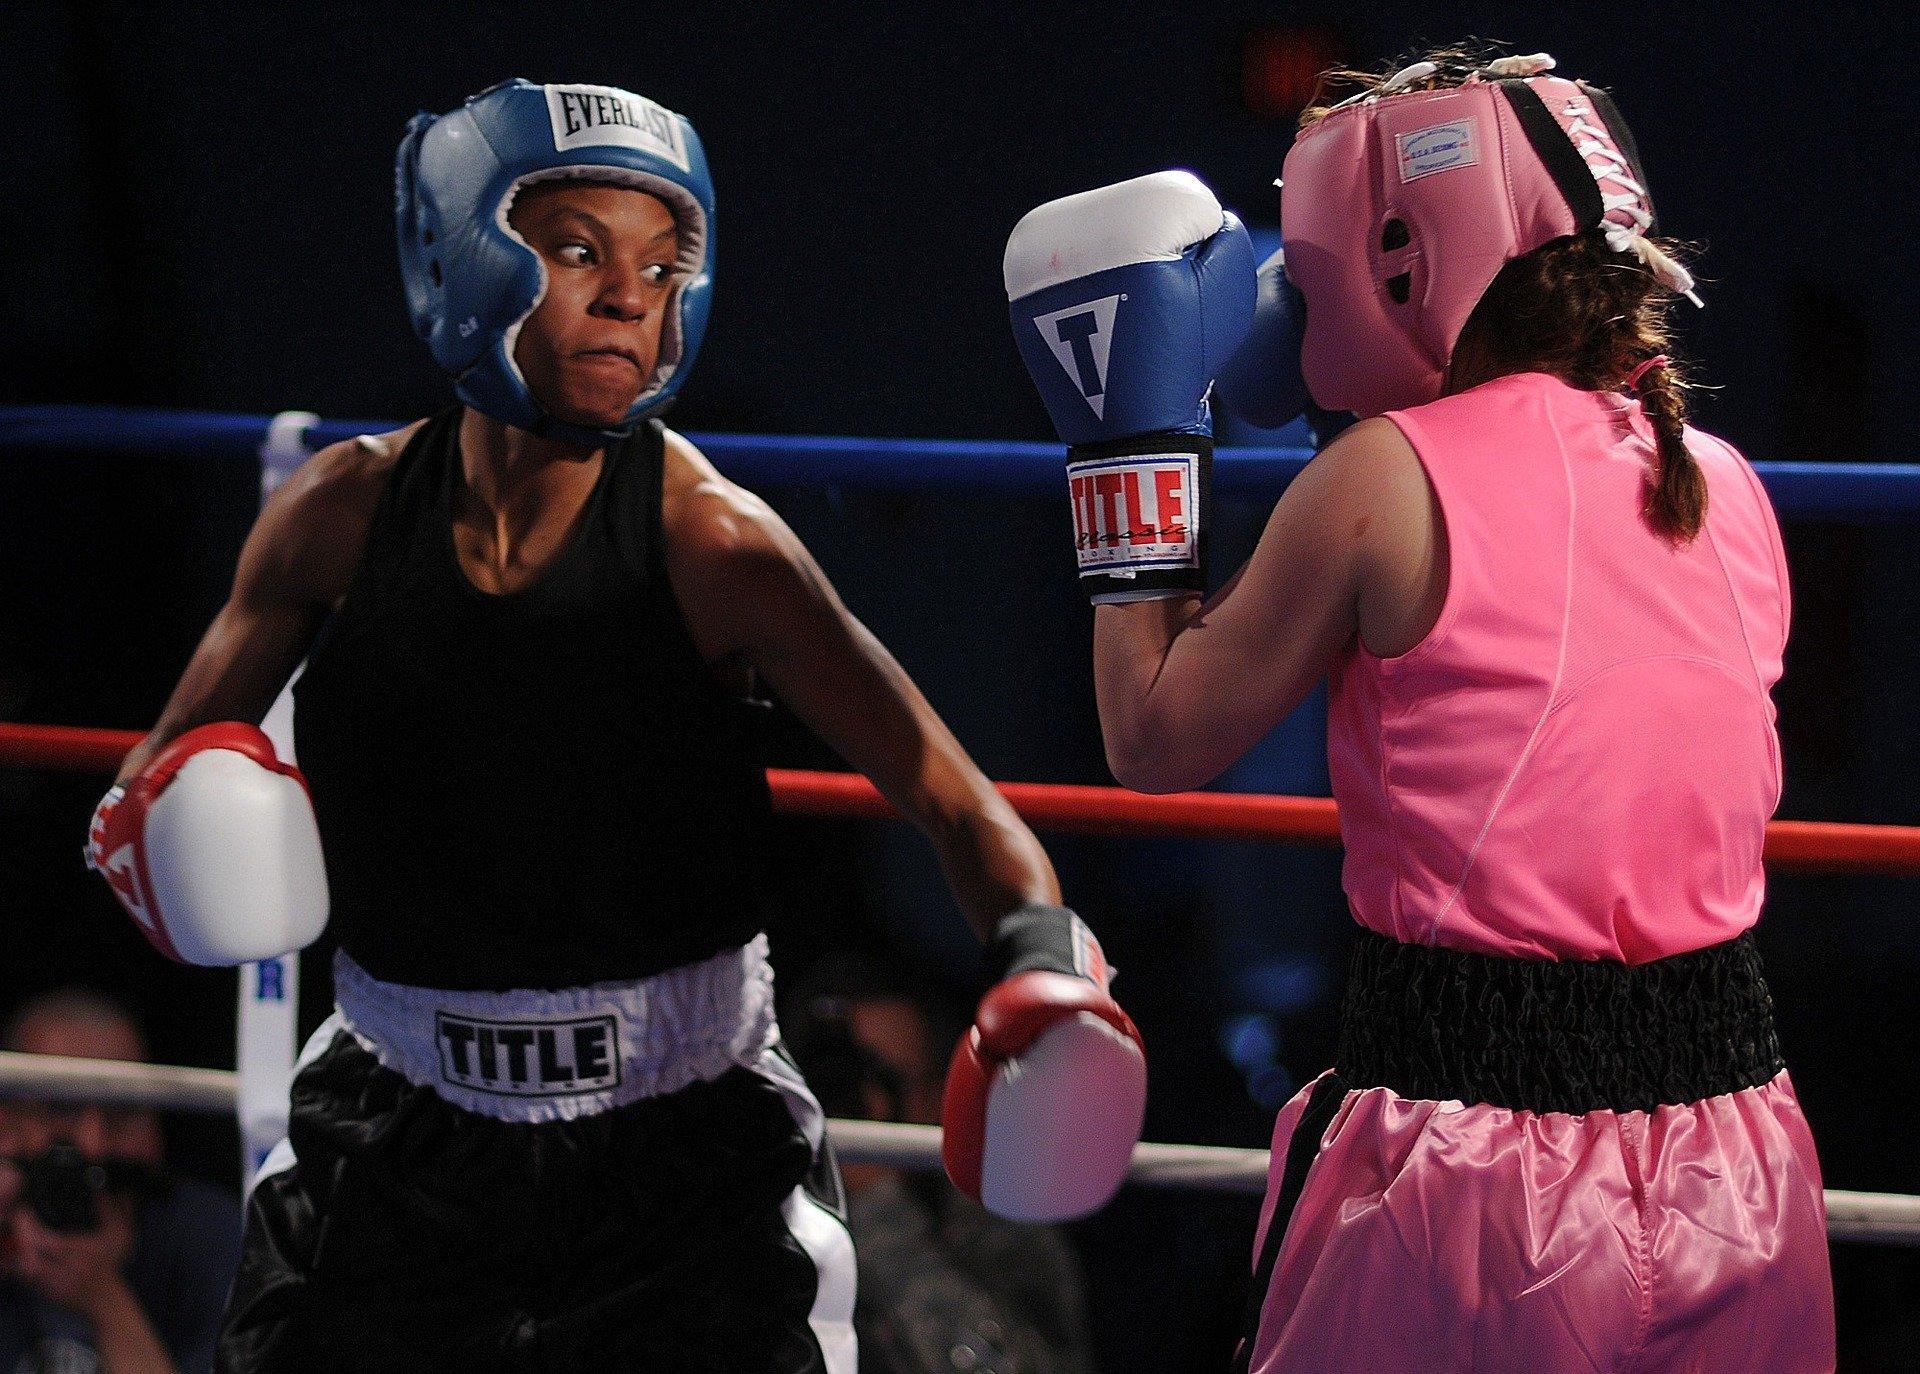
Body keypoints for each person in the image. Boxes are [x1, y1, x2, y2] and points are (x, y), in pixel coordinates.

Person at [83, 80, 1144, 1371]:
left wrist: (1042, 961)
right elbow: (147, 788)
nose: (629, 294)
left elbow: (950, 794)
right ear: (459, 251)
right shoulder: (337, 517)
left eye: (663, 259)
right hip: (394, 1127)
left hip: (682, 1148)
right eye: (579, 249)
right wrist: (178, 843)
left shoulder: (717, 543)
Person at [1006, 46, 1833, 1373]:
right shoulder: (1722, 476)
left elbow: (1154, 738)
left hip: (1473, 1168)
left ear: (1399, 248)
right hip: (1736, 1145)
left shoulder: (1383, 476)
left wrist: (1131, 450)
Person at [784, 954, 1098, 1374]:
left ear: (940, 1093)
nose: (865, 1106)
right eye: (838, 1081)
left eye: (891, 1081)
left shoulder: (996, 1213)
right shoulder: (765, 1215)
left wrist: (877, 1205)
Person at [0, 987, 243, 1374]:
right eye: (60, 1108)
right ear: (6, 1120)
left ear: (154, 1125)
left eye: (121, 1112)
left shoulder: (213, 1234)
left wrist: (104, 1299)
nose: (92, 1144)